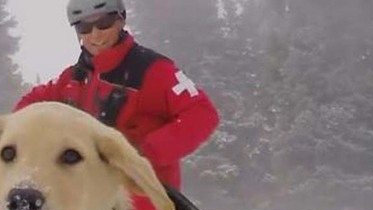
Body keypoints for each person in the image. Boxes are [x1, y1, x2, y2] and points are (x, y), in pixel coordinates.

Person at [13, 0, 220, 190]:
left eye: (104, 23)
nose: (95, 34)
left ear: (121, 21)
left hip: (143, 190)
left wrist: (144, 152)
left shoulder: (154, 70)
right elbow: (29, 107)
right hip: (87, 194)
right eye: (84, 27)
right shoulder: (73, 77)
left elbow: (202, 114)